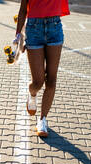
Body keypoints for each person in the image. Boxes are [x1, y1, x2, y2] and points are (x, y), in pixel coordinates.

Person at [15, 0, 70, 137]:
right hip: (34, 29)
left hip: (54, 26)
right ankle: (32, 93)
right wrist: (18, 35)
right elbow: (23, 10)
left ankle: (42, 120)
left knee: (51, 80)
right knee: (38, 82)